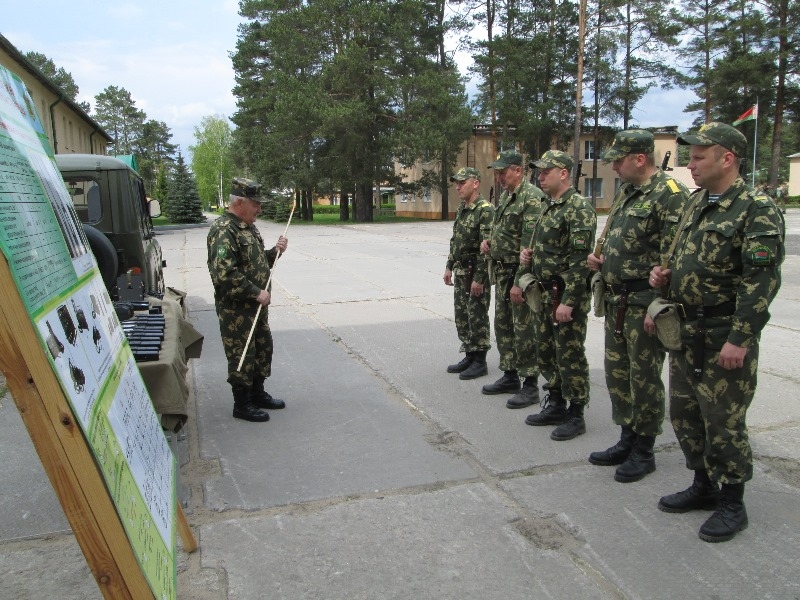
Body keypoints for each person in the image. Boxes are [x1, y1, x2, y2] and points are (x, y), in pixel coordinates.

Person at [649, 122, 784, 542]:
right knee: (685, 413)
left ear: (727, 158)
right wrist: (664, 276)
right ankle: (703, 484)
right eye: (690, 157)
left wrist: (739, 339)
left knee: (723, 420)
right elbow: (685, 255)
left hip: (724, 330)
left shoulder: (755, 208)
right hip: (686, 329)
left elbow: (760, 281)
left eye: (699, 157)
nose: (691, 164)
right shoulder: (695, 203)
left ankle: (732, 502)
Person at [586, 130, 690, 482]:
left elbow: (674, 256)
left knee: (644, 378)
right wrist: (604, 261)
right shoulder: (628, 193)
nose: (614, 166)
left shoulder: (670, 195)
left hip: (644, 301)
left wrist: (659, 304)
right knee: (618, 374)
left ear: (640, 159)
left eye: (619, 159)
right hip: (617, 299)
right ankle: (626, 437)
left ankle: (645, 449)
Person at [522, 150, 596, 440]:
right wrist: (530, 255)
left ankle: (576, 413)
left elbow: (580, 261)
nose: (540, 177)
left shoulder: (577, 208)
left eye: (545, 172)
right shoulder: (546, 205)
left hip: (564, 295)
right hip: (543, 293)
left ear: (563, 173)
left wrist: (568, 301)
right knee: (547, 351)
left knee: (570, 354)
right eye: (538, 172)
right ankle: (555, 402)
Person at [207, 177, 289, 422]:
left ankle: (257, 393)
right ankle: (242, 404)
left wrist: (275, 252)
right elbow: (225, 274)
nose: (259, 209)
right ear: (240, 202)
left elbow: (257, 261)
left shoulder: (248, 226)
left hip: (256, 308)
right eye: (255, 204)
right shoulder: (224, 230)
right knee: (242, 354)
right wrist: (256, 292)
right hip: (237, 311)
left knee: (262, 349)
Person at [480, 150, 548, 408]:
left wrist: (521, 281)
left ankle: (530, 384)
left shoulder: (531, 198)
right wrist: (490, 243)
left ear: (517, 170)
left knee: (523, 330)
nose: (499, 177)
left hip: (517, 274)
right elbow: (504, 232)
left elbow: (528, 244)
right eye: (496, 173)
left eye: (502, 172)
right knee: (504, 326)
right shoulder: (508, 197)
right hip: (503, 272)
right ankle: (510, 375)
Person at [444, 167, 496, 380]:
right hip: (461, 271)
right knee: (462, 316)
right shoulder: (463, 208)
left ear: (475, 183)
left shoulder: (485, 210)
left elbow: (487, 248)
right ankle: (469, 353)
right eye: (456, 182)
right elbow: (456, 240)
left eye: (462, 182)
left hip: (475, 271)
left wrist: (480, 278)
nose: (458, 186)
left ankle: (480, 360)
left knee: (477, 316)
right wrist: (449, 265)